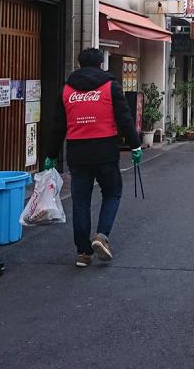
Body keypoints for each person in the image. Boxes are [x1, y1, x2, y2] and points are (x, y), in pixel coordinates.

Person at [44, 48, 143, 268]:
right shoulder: (110, 86)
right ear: (100, 65)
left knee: (80, 201)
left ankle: (83, 253)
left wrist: (50, 155)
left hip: (77, 153)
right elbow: (125, 118)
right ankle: (101, 236)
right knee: (112, 192)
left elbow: (57, 126)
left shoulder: (67, 90)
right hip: (106, 150)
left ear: (80, 65)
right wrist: (135, 146)